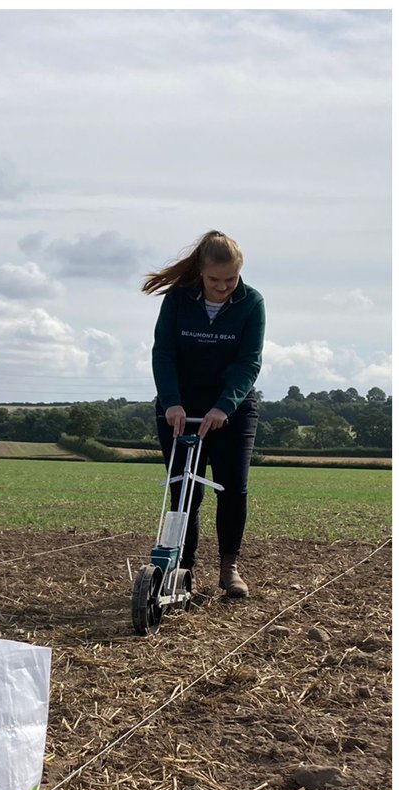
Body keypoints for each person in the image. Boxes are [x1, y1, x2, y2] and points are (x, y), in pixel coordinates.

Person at [143, 230, 265, 599]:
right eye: (215, 280)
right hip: (181, 408)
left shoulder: (252, 303)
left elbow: (249, 362)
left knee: (232, 488)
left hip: (232, 409)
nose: (224, 286)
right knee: (184, 490)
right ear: (201, 272)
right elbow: (162, 353)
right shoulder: (179, 300)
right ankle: (183, 569)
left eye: (231, 279)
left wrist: (224, 406)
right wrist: (171, 401)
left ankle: (230, 567)